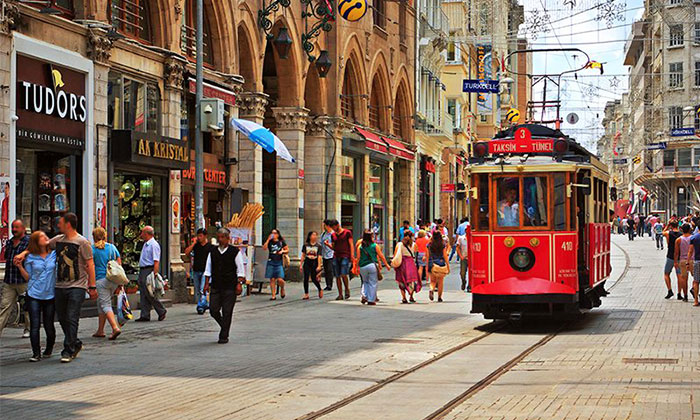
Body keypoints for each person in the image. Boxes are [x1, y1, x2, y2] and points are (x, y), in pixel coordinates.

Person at [15, 213, 97, 363]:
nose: (58, 225)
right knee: (63, 318)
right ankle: (75, 342)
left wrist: (92, 286)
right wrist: (23, 253)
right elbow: (40, 245)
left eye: (61, 222)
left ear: (68, 224)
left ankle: (68, 350)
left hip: (77, 285)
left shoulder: (82, 242)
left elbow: (90, 264)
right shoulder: (58, 240)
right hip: (59, 286)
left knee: (72, 316)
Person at [15, 231, 56, 362]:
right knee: (35, 324)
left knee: (49, 325)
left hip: (50, 293)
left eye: (46, 236)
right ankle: (36, 353)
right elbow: (28, 277)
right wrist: (20, 267)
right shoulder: (31, 258)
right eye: (42, 237)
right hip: (34, 293)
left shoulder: (54, 254)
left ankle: (49, 349)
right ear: (36, 242)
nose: (46, 238)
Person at [202, 228, 246, 343]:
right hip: (216, 284)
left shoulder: (234, 252)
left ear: (228, 238)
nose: (220, 240)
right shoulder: (213, 251)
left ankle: (223, 335)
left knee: (227, 311)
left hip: (230, 286)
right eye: (219, 237)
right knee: (213, 309)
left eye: (222, 237)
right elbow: (208, 268)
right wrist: (206, 283)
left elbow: (240, 269)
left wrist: (239, 283)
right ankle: (224, 326)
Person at [0, 219, 30, 338]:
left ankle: (29, 328)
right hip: (9, 279)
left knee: (27, 307)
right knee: (4, 306)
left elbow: (35, 251)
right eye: (13, 227)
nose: (14, 230)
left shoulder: (28, 242)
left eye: (17, 227)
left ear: (23, 228)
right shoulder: (10, 242)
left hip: (23, 280)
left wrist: (24, 255)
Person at [91, 227, 122, 340]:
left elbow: (90, 266)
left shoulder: (93, 249)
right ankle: (100, 330)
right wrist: (120, 283)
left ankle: (115, 328)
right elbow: (119, 263)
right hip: (113, 279)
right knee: (101, 303)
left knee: (105, 304)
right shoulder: (112, 248)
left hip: (100, 279)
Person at [135, 226, 167, 322]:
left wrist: (155, 273)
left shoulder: (154, 245)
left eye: (142, 233)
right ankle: (145, 314)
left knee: (149, 292)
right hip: (143, 269)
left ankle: (161, 310)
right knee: (143, 292)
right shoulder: (146, 244)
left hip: (149, 270)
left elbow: (156, 260)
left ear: (147, 234)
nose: (141, 235)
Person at [355, 230, 389, 305]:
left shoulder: (360, 247)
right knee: (373, 283)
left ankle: (364, 295)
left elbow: (358, 258)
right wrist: (386, 264)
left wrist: (356, 267)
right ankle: (371, 299)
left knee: (365, 282)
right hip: (372, 266)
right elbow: (381, 256)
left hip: (362, 266)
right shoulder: (374, 246)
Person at [184, 228, 212, 309]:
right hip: (196, 270)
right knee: (197, 290)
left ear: (205, 236)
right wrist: (193, 243)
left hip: (205, 271)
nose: (199, 238)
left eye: (201, 236)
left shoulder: (210, 247)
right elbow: (186, 252)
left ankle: (201, 305)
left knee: (202, 288)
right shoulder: (196, 246)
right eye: (198, 236)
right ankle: (204, 303)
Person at [393, 230, 421, 304]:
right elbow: (416, 253)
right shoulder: (414, 244)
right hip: (411, 263)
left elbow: (395, 254)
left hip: (402, 263)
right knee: (411, 280)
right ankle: (411, 296)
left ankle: (404, 298)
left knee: (401, 280)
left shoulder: (399, 244)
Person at [329, 219, 354, 300]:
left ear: (337, 225)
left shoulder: (347, 232)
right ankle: (340, 294)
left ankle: (347, 289)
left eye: (333, 227)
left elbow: (351, 244)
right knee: (337, 276)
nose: (333, 229)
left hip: (345, 255)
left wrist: (352, 256)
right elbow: (333, 247)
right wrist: (328, 245)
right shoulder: (333, 235)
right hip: (336, 256)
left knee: (343, 274)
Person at [263, 228, 288, 300]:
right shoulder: (270, 242)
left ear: (278, 234)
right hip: (271, 261)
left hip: (279, 261)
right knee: (272, 279)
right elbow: (264, 248)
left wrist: (282, 251)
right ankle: (273, 295)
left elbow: (287, 249)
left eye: (275, 233)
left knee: (280, 279)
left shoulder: (281, 242)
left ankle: (282, 287)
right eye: (272, 233)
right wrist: (268, 239)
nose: (273, 234)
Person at [426, 231, 450, 302]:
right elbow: (445, 256)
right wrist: (448, 265)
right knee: (440, 282)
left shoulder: (429, 245)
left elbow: (427, 256)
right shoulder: (442, 245)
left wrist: (427, 266)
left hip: (432, 263)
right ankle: (439, 297)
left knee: (432, 281)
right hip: (440, 263)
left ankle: (431, 289)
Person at [300, 231, 323, 300]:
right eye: (313, 235)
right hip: (307, 261)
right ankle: (306, 293)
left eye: (315, 235)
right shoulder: (306, 245)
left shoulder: (318, 246)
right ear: (310, 237)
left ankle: (319, 289)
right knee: (306, 278)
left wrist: (319, 265)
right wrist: (301, 264)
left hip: (314, 262)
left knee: (313, 278)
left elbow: (319, 256)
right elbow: (303, 255)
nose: (314, 237)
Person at [675, 224, 694, 303]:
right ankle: (694, 290)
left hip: (682, 260)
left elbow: (676, 252)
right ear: (689, 229)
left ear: (682, 230)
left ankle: (685, 296)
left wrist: (675, 262)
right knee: (696, 278)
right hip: (693, 260)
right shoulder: (693, 238)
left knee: (684, 279)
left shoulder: (678, 240)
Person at [662, 221, 681, 299]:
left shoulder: (668, 233)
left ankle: (670, 290)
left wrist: (667, 225)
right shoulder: (681, 234)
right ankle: (679, 293)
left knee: (666, 274)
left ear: (671, 226)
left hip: (670, 256)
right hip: (679, 256)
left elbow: (662, 232)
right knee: (679, 276)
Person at [320, 220, 335, 291]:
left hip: (331, 254)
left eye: (324, 225)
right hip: (324, 254)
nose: (324, 227)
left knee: (329, 270)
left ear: (328, 226)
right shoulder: (323, 234)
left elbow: (334, 245)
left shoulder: (333, 234)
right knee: (326, 270)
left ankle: (330, 285)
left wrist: (328, 244)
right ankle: (327, 284)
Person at [690, 227, 700, 306]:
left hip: (697, 261)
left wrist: (688, 262)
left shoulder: (694, 237)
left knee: (696, 281)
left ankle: (696, 300)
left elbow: (690, 251)